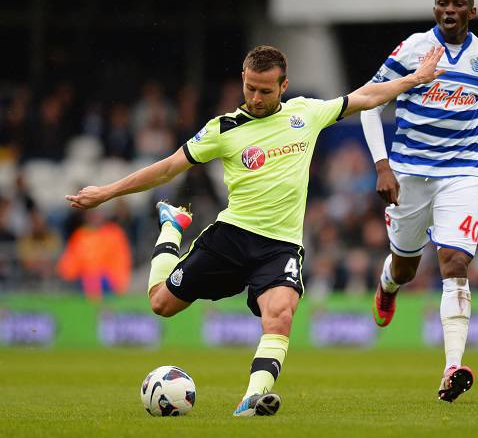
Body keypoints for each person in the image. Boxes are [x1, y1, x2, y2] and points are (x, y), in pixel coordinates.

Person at [66, 44, 445, 417]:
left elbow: (365, 96)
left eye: (265, 90)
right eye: (250, 88)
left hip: (280, 246)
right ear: (243, 81)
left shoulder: (307, 113)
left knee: (280, 314)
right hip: (231, 237)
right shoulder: (224, 129)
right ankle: (172, 227)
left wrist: (416, 78)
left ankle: (253, 398)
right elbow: (167, 168)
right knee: (161, 304)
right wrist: (107, 192)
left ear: (284, 86)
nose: (256, 97)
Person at [360, 0, 478, 403]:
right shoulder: (412, 50)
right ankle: (388, 286)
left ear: (472, 12)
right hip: (408, 175)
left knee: (455, 260)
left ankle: (451, 367)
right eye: (443, 3)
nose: (449, 9)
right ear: (435, 9)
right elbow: (370, 102)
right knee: (406, 267)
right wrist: (382, 164)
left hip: (461, 175)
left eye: (458, 4)